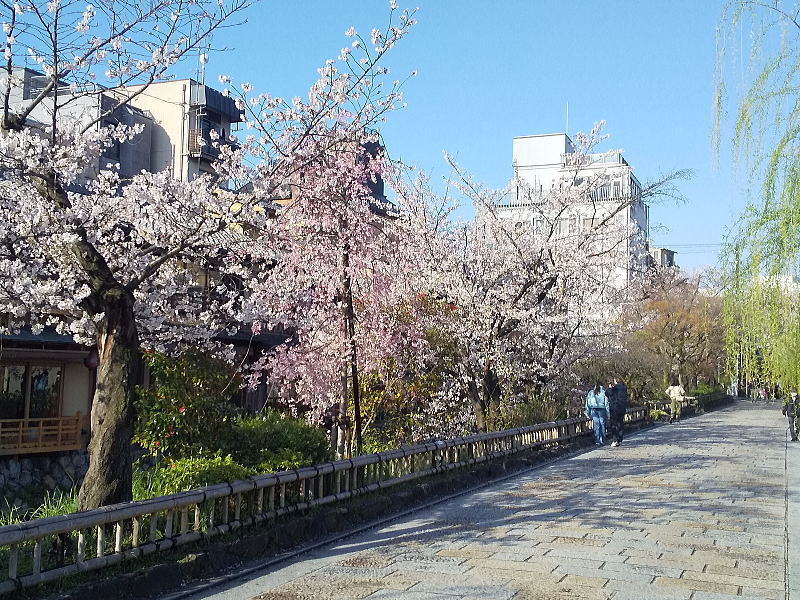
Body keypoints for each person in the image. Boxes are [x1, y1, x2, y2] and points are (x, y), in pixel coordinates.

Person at [607, 377, 628, 446]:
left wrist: (610, 388)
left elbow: (608, 393)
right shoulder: (624, 388)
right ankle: (620, 439)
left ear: (615, 381)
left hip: (615, 408)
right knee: (620, 423)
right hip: (622, 408)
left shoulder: (615, 388)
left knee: (614, 424)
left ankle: (615, 440)